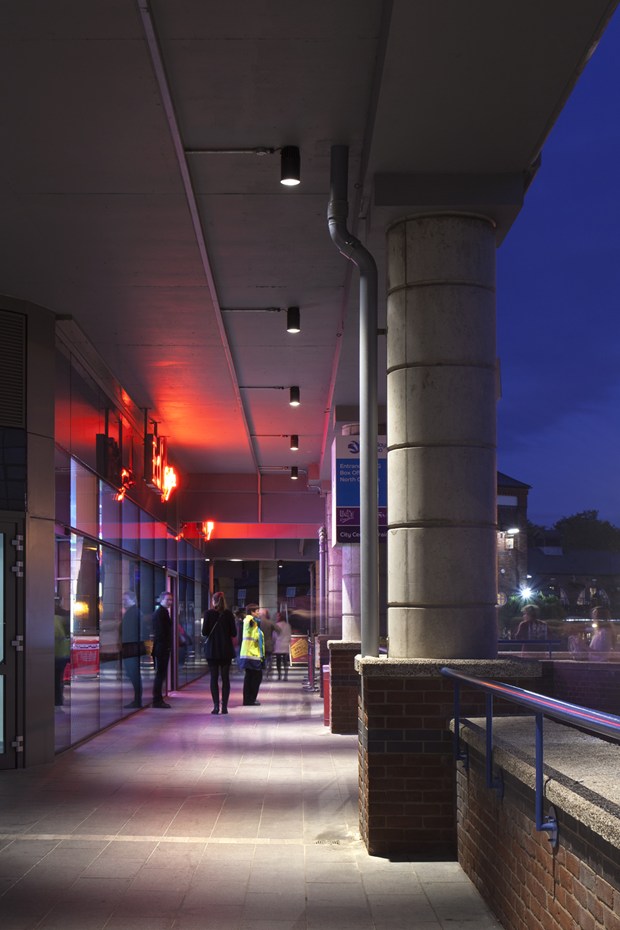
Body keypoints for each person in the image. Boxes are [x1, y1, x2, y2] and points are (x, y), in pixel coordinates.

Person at [202, 592, 237, 714]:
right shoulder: (229, 614)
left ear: (213, 601)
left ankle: (216, 706)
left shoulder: (208, 614)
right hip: (226, 650)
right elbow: (234, 633)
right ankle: (225, 707)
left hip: (212, 650)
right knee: (225, 678)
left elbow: (204, 632)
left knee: (214, 678)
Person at [121, 591, 144, 709]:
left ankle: (137, 700)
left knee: (134, 674)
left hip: (131, 648)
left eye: (125, 600)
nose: (123, 602)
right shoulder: (135, 612)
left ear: (133, 600)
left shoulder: (132, 613)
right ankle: (137, 699)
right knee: (134, 674)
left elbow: (129, 632)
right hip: (132, 647)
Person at [239, 603, 264, 706]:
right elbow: (254, 634)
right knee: (255, 677)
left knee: (251, 677)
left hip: (252, 654)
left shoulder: (253, 622)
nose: (259, 613)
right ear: (252, 612)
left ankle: (249, 699)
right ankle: (249, 699)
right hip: (251, 654)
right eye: (257, 611)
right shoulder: (250, 621)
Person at [152, 591, 173, 708]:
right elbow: (161, 632)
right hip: (162, 647)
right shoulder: (161, 613)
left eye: (171, 600)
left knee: (161, 674)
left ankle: (158, 699)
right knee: (160, 674)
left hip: (161, 647)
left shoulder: (162, 612)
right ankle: (157, 699)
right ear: (161, 600)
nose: (170, 602)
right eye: (167, 599)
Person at [54, 598, 70, 706]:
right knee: (58, 677)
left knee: (55, 678)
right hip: (62, 653)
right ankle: (58, 699)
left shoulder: (54, 618)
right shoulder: (63, 617)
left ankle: (57, 699)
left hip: (56, 653)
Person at [258, 608, 277, 678]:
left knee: (262, 659)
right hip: (269, 644)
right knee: (269, 658)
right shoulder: (270, 622)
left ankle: (263, 671)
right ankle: (269, 671)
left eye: (259, 613)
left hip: (260, 644)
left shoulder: (257, 622)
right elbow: (278, 630)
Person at [273, 611, 292, 681]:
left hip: (278, 644)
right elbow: (289, 635)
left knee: (278, 661)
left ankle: (279, 675)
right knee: (285, 661)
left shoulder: (276, 625)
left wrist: (274, 642)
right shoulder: (287, 625)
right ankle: (285, 675)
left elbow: (274, 635)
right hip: (285, 644)